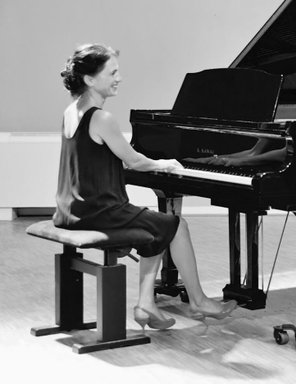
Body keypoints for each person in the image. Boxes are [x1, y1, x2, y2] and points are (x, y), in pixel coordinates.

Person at [54, 43, 237, 331]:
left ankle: (146, 304)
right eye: (112, 72)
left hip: (71, 207)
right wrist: (166, 163)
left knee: (156, 225)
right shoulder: (101, 117)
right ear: (90, 80)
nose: (119, 78)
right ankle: (199, 300)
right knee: (177, 225)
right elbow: (134, 161)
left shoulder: (71, 111)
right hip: (99, 210)